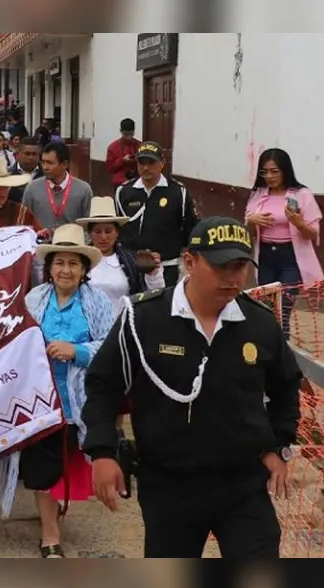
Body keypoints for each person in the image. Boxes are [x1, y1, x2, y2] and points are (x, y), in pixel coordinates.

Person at [83, 217, 303, 558]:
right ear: (189, 262)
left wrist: (278, 445)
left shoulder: (259, 323)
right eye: (221, 266)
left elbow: (286, 386)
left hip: (243, 483)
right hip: (170, 486)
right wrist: (102, 451)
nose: (233, 277)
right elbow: (102, 385)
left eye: (240, 266)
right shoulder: (144, 318)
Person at [0, 224, 113, 558]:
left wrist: (75, 351)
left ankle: (54, 512)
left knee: (70, 462)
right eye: (59, 263)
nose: (65, 270)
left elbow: (109, 346)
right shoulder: (34, 300)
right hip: (41, 401)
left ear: (84, 269)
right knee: (43, 466)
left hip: (79, 400)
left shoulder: (98, 302)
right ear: (49, 269)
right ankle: (50, 535)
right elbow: (15, 342)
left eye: (73, 263)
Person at [244, 148, 323, 338]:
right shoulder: (258, 194)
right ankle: (270, 347)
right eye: (264, 172)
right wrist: (251, 221)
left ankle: (282, 348)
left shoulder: (301, 194)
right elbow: (247, 233)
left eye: (274, 171)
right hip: (265, 257)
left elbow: (313, 233)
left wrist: (297, 222)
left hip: (291, 258)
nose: (269, 176)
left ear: (285, 170)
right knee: (267, 306)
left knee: (283, 306)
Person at [115, 141, 200, 286]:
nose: (146, 167)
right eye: (141, 162)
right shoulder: (124, 191)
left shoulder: (178, 192)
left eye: (151, 162)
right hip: (131, 267)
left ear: (162, 163)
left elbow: (190, 229)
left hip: (166, 267)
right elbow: (118, 229)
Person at [77, 197, 165, 316]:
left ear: (117, 232)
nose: (103, 237)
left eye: (108, 231)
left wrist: (153, 273)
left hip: (122, 324)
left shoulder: (132, 260)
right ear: (90, 234)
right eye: (97, 232)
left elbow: (156, 293)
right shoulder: (79, 261)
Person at [22, 142, 93, 230]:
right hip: (40, 242)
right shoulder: (32, 188)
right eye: (43, 162)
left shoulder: (83, 190)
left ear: (64, 164)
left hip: (72, 242)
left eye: (50, 163)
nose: (45, 167)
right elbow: (24, 223)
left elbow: (88, 226)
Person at [104, 118, 141, 189]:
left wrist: (138, 159)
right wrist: (122, 161)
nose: (128, 137)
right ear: (121, 131)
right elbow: (109, 168)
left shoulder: (140, 145)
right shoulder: (113, 147)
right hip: (120, 183)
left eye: (131, 134)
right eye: (126, 134)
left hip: (137, 182)